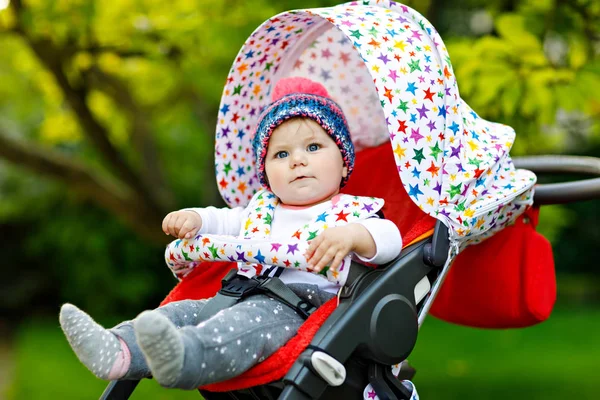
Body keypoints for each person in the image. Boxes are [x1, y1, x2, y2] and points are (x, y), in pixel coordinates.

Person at [59, 77, 402, 389]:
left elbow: (389, 239)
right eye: (281, 154)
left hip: (299, 311)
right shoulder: (262, 209)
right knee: (179, 313)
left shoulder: (351, 212)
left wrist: (354, 236)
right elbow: (222, 221)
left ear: (344, 161)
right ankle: (118, 349)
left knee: (239, 328)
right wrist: (194, 219)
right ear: (266, 174)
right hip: (240, 293)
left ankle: (186, 358)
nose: (298, 161)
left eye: (313, 148)